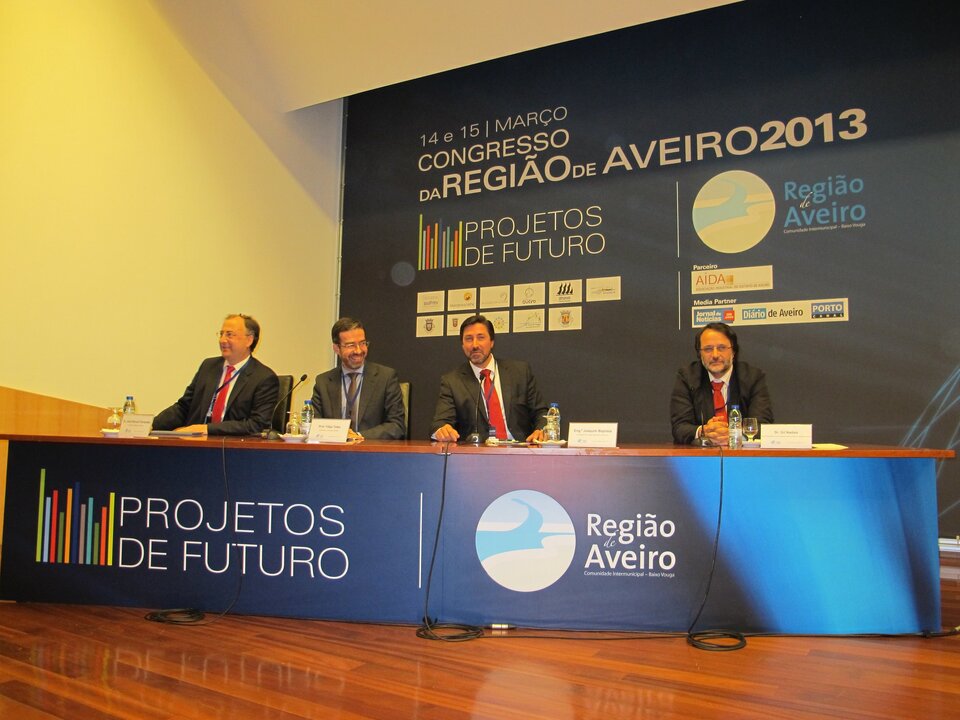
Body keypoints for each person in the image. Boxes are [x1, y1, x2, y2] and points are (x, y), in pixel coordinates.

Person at [153, 314, 280, 436]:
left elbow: (257, 424)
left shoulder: (263, 378)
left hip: (231, 445)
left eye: (229, 334)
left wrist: (207, 429)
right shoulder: (208, 367)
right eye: (221, 334)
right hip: (196, 442)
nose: (222, 340)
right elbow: (183, 407)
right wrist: (150, 425)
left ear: (249, 340)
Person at [431, 314, 548, 443]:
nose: (475, 345)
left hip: (519, 449)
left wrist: (541, 429)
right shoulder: (452, 381)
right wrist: (442, 430)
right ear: (462, 345)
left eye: (481, 337)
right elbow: (440, 423)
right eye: (468, 339)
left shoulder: (519, 372)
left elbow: (541, 412)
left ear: (492, 342)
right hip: (478, 452)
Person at [670, 322, 774, 445]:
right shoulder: (688, 377)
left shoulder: (752, 377)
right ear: (700, 354)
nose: (715, 355)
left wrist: (733, 434)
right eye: (708, 349)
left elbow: (762, 425)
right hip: (702, 455)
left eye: (721, 348)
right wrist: (704, 431)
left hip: (742, 454)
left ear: (733, 351)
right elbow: (680, 427)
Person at [311, 317, 406, 440]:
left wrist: (358, 436)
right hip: (334, 449)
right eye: (351, 345)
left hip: (370, 449)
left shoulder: (386, 378)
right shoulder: (323, 382)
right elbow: (314, 426)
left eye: (362, 343)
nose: (358, 350)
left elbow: (396, 426)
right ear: (336, 348)